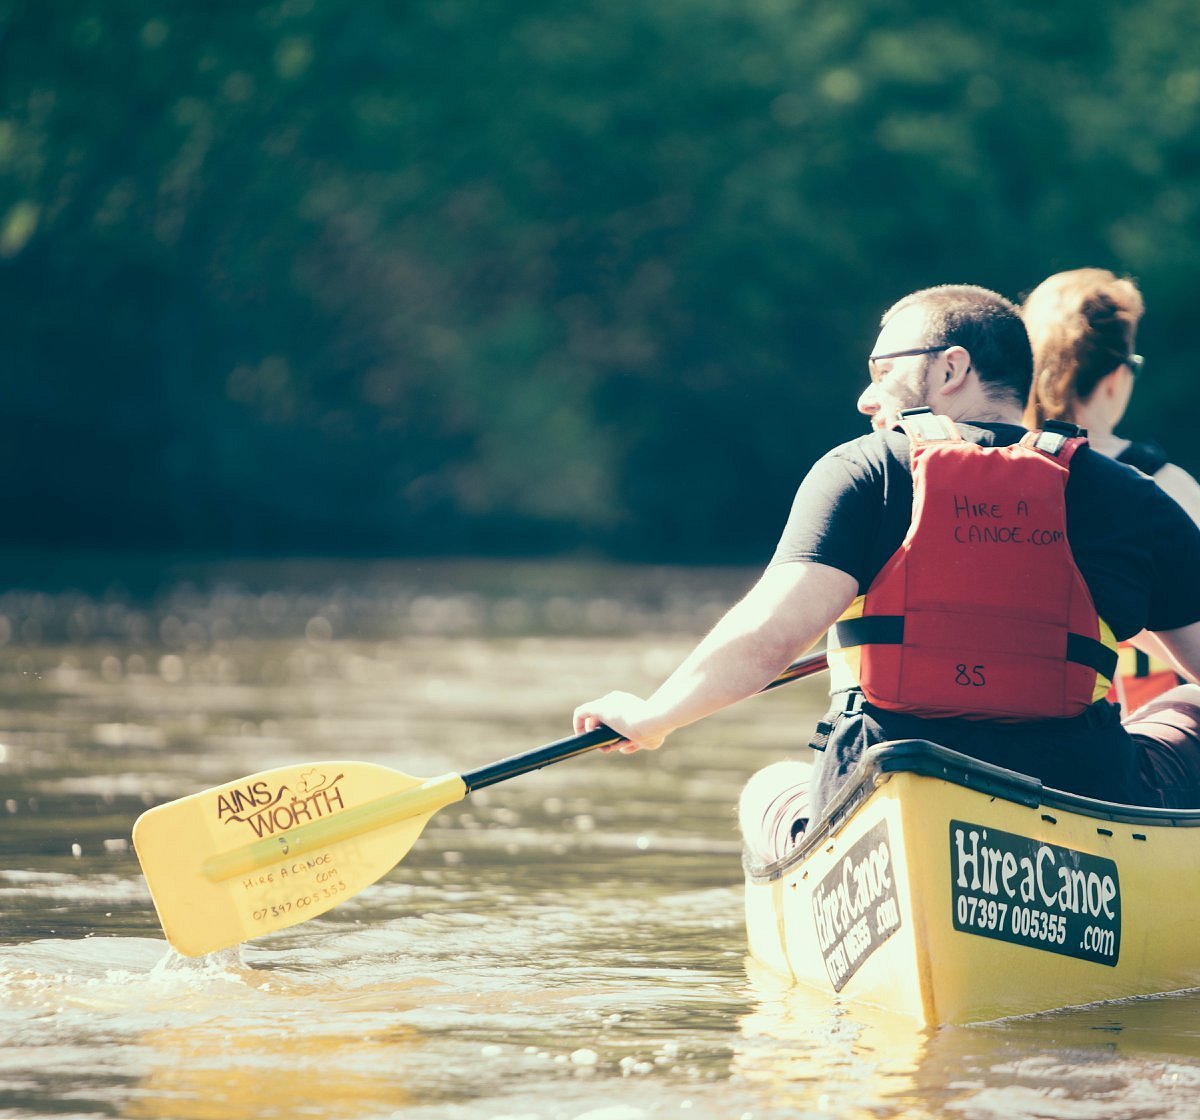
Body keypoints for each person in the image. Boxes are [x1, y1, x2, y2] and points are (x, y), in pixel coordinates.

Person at [572, 284, 1200, 866]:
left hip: (884, 796)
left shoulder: (863, 472)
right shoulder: (1131, 496)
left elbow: (770, 637)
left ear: (951, 368)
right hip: (1074, 806)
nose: (865, 398)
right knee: (1185, 710)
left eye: (882, 372)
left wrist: (654, 717)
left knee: (769, 786)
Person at [1022, 268, 1200, 709]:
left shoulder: (982, 473)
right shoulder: (1162, 486)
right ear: (1115, 377)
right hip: (1139, 729)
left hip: (1007, 720)